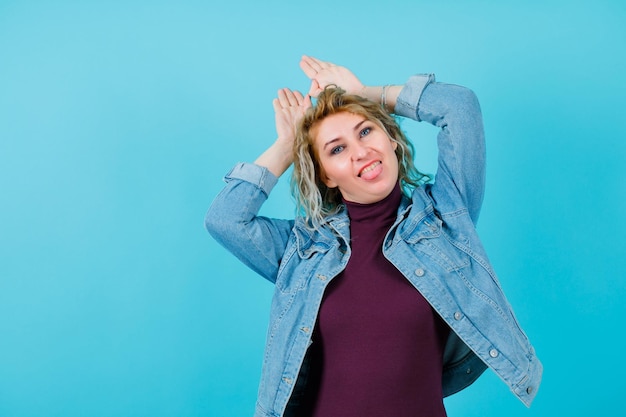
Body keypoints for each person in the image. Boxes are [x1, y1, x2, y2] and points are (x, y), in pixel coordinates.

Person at [205, 56, 542, 417]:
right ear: (327, 176)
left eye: (366, 131)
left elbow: (459, 107)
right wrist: (290, 143)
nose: (361, 152)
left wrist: (365, 94)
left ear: (391, 138)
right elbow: (226, 219)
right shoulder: (304, 249)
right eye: (337, 149)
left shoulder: (444, 219)